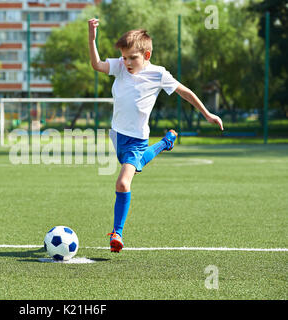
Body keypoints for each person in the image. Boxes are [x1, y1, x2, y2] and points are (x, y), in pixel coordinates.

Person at [88, 18, 223, 253]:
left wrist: (207, 113)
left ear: (147, 56)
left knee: (123, 182)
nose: (127, 62)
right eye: (124, 57)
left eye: (133, 57)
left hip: (137, 139)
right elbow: (97, 65)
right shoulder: (120, 67)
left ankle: (117, 233)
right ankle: (165, 142)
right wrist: (92, 39)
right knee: (137, 162)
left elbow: (185, 92)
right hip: (117, 136)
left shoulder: (158, 74)